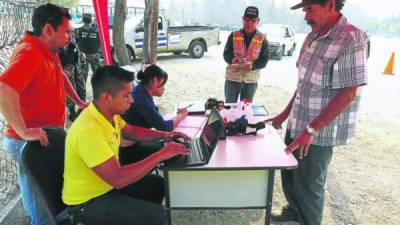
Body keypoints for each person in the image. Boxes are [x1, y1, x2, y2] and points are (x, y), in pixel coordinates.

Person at [266, 0, 369, 224]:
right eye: (304, 10)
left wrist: (312, 129)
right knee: (290, 175)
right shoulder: (312, 36)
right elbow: (304, 84)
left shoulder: (351, 38)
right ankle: (293, 215)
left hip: (318, 133)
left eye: (310, 9)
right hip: (298, 122)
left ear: (330, 4)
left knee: (309, 185)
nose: (306, 16)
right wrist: (284, 114)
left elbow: (348, 93)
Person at [62, 65, 189, 225]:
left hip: (105, 186)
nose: (132, 99)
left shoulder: (107, 113)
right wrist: (161, 154)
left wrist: (166, 135)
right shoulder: (89, 130)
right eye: (127, 95)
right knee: (157, 216)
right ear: (107, 97)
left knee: (157, 185)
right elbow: (118, 178)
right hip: (87, 202)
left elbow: (131, 131)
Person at [0, 4, 87, 225]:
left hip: (44, 139)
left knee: (49, 201)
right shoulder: (30, 52)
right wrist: (23, 131)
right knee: (43, 211)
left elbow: (60, 75)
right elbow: (4, 89)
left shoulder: (47, 49)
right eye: (66, 31)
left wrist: (77, 100)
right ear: (48, 29)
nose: (69, 37)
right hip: (28, 144)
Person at [120, 64, 188, 165]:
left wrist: (166, 135)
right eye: (163, 84)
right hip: (129, 151)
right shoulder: (142, 99)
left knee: (173, 145)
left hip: (135, 141)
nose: (164, 88)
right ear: (155, 81)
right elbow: (165, 127)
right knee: (177, 152)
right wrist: (182, 115)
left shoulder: (140, 91)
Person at [223, 6, 269, 103]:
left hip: (250, 81)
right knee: (230, 108)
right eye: (247, 20)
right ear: (243, 19)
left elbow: (264, 60)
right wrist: (232, 59)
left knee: (245, 111)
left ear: (258, 21)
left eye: (253, 21)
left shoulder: (262, 39)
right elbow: (226, 54)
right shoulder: (234, 35)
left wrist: (253, 66)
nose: (249, 23)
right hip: (232, 79)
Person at [59, 39, 87, 121]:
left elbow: (77, 52)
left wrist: (81, 56)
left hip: (76, 68)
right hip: (66, 70)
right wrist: (61, 70)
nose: (69, 35)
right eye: (67, 32)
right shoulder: (54, 44)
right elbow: (51, 60)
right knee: (70, 93)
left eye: (70, 32)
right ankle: (72, 113)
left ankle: (82, 111)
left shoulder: (72, 41)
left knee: (82, 89)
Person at [75, 13, 101, 81]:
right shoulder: (97, 29)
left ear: (83, 20)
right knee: (98, 76)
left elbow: (75, 42)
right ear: (91, 20)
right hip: (95, 54)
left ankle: (83, 91)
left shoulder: (78, 29)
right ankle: (98, 90)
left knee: (83, 76)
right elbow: (101, 41)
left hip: (83, 56)